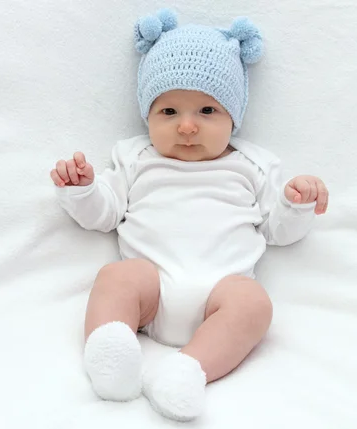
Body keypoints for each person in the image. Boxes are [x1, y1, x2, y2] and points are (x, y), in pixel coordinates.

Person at [49, 8, 329, 422]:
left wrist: (296, 203)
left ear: (234, 116)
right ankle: (110, 355)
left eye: (207, 111)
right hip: (152, 291)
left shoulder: (253, 165)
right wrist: (83, 189)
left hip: (221, 296)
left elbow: (277, 231)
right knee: (118, 277)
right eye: (169, 112)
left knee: (254, 304)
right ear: (147, 115)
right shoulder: (135, 157)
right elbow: (104, 215)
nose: (187, 127)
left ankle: (187, 371)